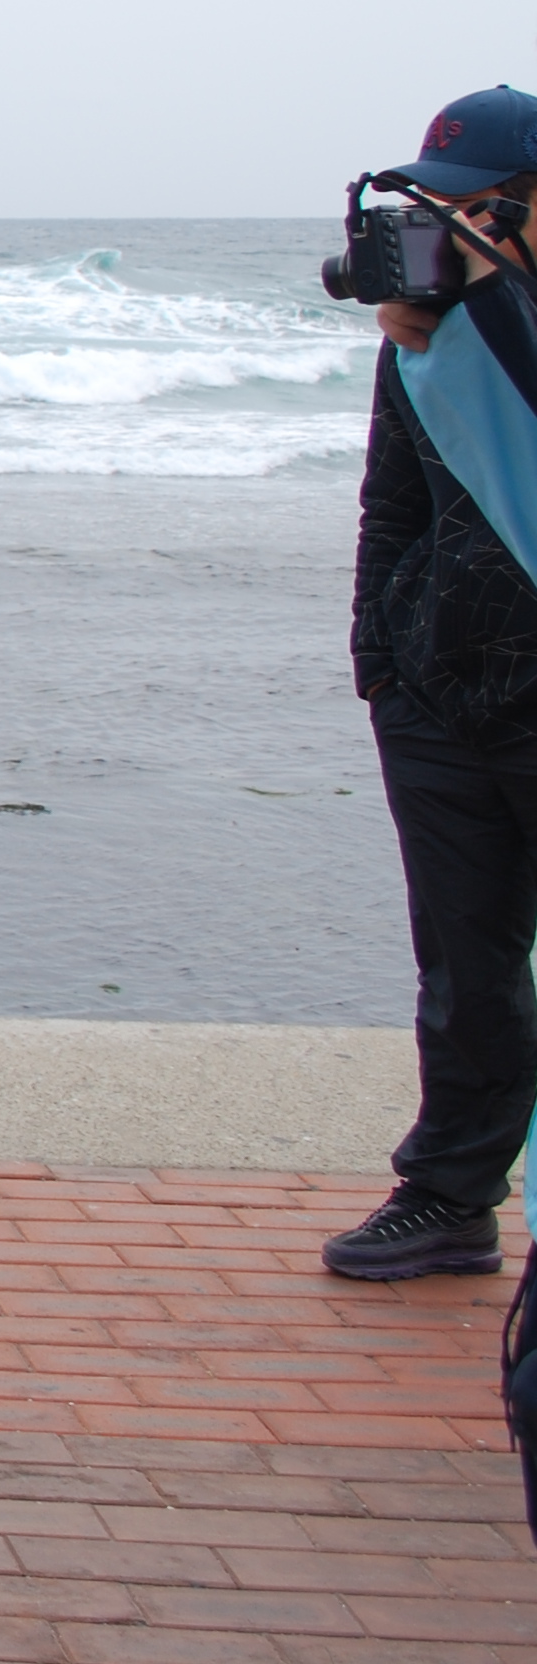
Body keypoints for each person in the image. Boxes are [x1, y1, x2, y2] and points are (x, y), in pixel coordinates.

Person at [334, 85, 537, 1280]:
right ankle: (449, 1196)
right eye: (435, 206)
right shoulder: (424, 336)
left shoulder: (481, 329)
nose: (450, 228)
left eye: (480, 208)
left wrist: (490, 300)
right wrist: (378, 665)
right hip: (438, 696)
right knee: (463, 968)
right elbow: (390, 503)